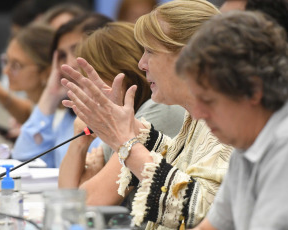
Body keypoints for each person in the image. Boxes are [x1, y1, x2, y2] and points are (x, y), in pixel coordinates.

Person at [60, 0, 233, 229]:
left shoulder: (230, 122)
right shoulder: (196, 120)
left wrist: (126, 141)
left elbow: (197, 210)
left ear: (190, 57)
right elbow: (177, 167)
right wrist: (131, 130)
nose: (142, 64)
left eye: (150, 51)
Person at [174, 10, 288, 230]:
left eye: (209, 101)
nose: (197, 113)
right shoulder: (249, 140)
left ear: (254, 90)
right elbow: (213, 226)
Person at [58, 22, 185, 207]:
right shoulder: (123, 121)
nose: (85, 87)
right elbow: (66, 195)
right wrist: (80, 139)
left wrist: (90, 178)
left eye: (92, 76)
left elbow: (86, 202)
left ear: (122, 74)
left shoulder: (158, 111)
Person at [12, 13, 112, 168]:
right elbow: (23, 165)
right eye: (62, 56)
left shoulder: (119, 112)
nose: (69, 63)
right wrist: (50, 95)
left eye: (77, 50)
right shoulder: (71, 114)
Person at [0, 23, 54, 125]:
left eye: (16, 65)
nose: (5, 71)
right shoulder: (39, 104)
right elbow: (28, 113)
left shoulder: (59, 115)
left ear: (46, 72)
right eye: (6, 61)